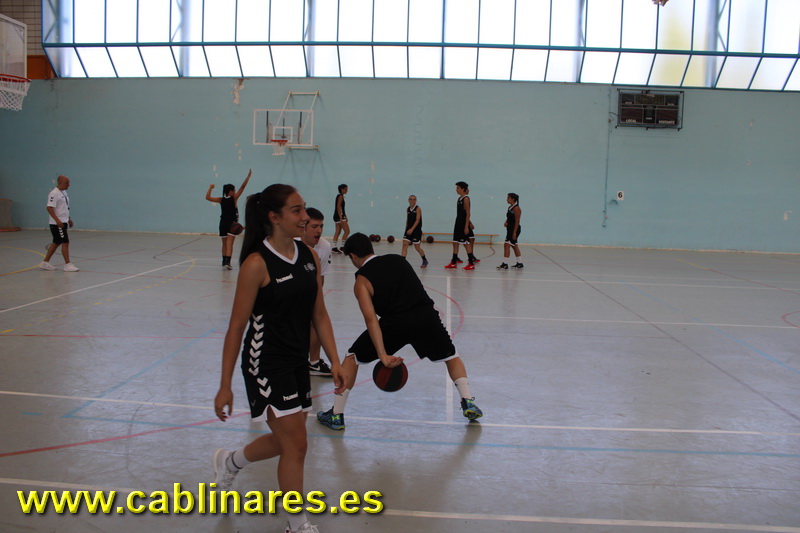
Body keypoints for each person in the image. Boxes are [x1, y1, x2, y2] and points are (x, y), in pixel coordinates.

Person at [212, 184, 346, 533]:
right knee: (297, 445)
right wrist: (225, 385)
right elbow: (236, 328)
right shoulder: (256, 264)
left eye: (304, 209)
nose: (305, 217)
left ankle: (231, 462)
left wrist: (334, 360)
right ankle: (297, 524)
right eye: (297, 210)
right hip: (266, 362)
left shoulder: (309, 255)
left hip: (296, 361)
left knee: (286, 440)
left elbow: (319, 314)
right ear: (274, 217)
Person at [316, 232, 482, 431]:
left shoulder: (361, 281)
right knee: (451, 356)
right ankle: (468, 402)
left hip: (395, 324)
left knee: (352, 357)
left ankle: (336, 415)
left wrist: (382, 355)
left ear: (352, 256)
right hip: (426, 316)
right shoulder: (398, 260)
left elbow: (371, 319)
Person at [300, 207, 334, 377]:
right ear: (303, 227)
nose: (319, 231)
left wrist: (316, 304)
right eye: (314, 227)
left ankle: (313, 363)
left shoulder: (324, 246)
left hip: (310, 291)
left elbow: (320, 279)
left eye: (321, 226)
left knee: (317, 319)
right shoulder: (291, 244)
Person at [205, 169, 252, 269]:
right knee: (229, 244)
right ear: (230, 191)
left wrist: (210, 187)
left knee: (224, 244)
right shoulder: (234, 198)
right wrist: (248, 177)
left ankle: (224, 261)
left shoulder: (221, 199)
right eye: (234, 190)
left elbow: (207, 197)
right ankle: (227, 262)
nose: (235, 192)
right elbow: (242, 187)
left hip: (222, 223)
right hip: (231, 224)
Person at [40, 175, 79, 272]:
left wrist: (68, 219)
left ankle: (45, 262)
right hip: (57, 224)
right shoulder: (54, 193)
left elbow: (64, 208)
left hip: (63, 221)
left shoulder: (64, 192)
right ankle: (67, 264)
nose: (69, 185)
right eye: (67, 183)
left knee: (57, 242)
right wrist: (57, 221)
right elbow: (49, 207)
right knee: (65, 242)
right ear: (60, 183)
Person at [444, 181, 479, 271]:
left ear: (463, 189)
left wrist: (467, 226)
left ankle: (471, 263)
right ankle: (453, 262)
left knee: (466, 243)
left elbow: (468, 214)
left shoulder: (466, 199)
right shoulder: (459, 199)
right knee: (455, 242)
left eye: (458, 188)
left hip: (463, 224)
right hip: (458, 223)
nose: (456, 189)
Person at [400, 195, 428, 268]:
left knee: (417, 247)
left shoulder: (418, 209)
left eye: (414, 199)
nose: (412, 201)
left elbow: (418, 220)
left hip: (416, 231)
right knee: (404, 245)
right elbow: (408, 220)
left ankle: (424, 260)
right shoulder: (408, 209)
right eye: (411, 199)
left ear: (416, 201)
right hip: (408, 230)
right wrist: (406, 229)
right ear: (408, 200)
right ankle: (402, 262)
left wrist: (412, 229)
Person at [497, 193, 523, 270]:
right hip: (510, 229)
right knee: (514, 246)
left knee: (506, 245)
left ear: (513, 199)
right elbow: (509, 217)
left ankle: (505, 264)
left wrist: (514, 232)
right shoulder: (510, 207)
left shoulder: (516, 208)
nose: (507, 199)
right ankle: (519, 263)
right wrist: (506, 222)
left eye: (508, 198)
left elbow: (517, 221)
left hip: (514, 229)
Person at [331, 184, 349, 254]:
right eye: (346, 189)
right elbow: (338, 207)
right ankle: (342, 247)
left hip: (338, 216)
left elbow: (342, 208)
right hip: (339, 217)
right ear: (342, 189)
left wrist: (345, 216)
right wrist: (341, 218)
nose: (347, 190)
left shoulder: (340, 196)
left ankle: (334, 248)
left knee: (337, 232)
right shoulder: (340, 197)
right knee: (347, 231)